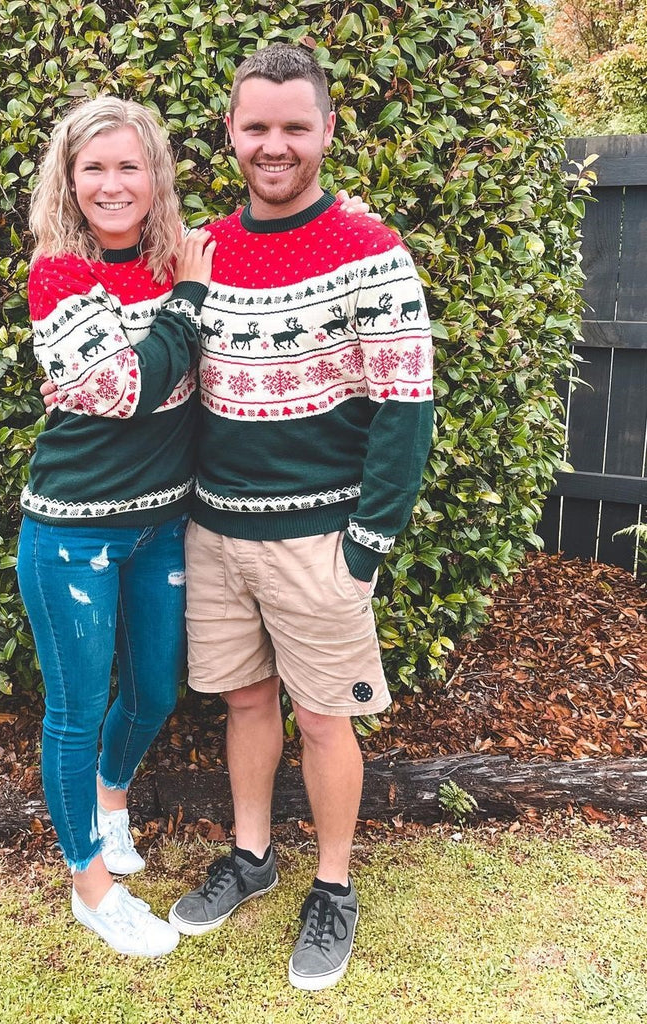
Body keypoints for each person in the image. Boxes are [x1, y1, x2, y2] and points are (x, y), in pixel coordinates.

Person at [166, 44, 434, 992]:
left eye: (292, 126)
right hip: (215, 530)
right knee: (244, 701)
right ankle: (250, 856)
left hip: (320, 538)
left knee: (324, 720)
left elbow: (406, 405)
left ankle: (333, 884)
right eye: (256, 127)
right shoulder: (200, 247)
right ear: (232, 134)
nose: (273, 145)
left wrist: (368, 543)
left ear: (325, 130)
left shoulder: (371, 250)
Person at [17, 95, 215, 957]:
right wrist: (187, 302)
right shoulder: (59, 275)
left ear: (154, 174)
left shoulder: (180, 255)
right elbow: (127, 391)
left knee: (157, 691)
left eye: (128, 165)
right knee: (74, 707)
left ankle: (110, 797)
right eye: (93, 167)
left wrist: (348, 214)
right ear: (69, 179)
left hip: (159, 526)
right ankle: (90, 886)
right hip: (71, 533)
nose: (111, 183)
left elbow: (274, 238)